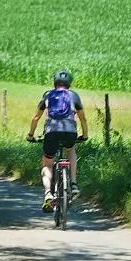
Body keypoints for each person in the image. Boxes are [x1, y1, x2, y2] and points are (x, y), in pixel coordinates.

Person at [27, 69, 89, 213]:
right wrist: (84, 135)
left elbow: (36, 118)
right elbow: (82, 119)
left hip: (51, 133)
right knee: (71, 150)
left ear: (54, 82)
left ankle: (48, 193)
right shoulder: (74, 96)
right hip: (70, 132)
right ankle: (73, 183)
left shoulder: (48, 95)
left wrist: (30, 134)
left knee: (47, 163)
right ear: (69, 84)